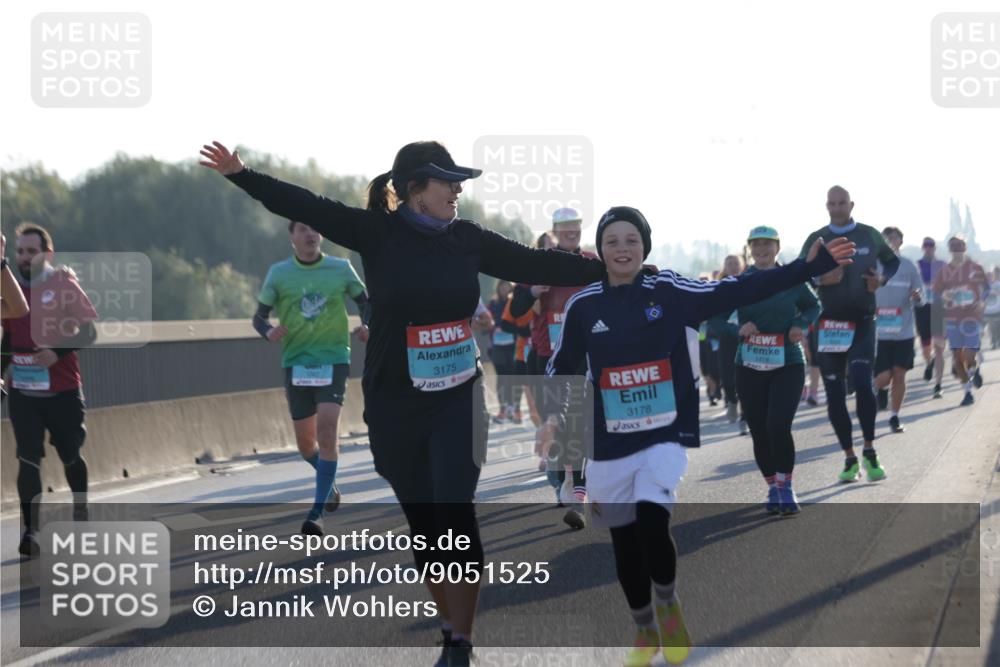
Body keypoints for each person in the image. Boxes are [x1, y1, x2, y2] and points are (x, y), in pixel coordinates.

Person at [201, 139, 609, 667]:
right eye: (447, 181)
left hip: (458, 398)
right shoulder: (378, 233)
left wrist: (617, 266)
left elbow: (537, 261)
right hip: (395, 402)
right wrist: (242, 173)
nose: (458, 189)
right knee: (425, 524)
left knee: (454, 510)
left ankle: (460, 641)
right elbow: (304, 205)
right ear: (415, 190)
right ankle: (447, 622)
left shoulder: (467, 239)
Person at [542, 206, 853, 666]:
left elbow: (740, 286)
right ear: (601, 250)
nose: (622, 249)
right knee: (624, 541)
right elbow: (563, 365)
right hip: (608, 439)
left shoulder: (669, 290)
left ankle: (668, 603)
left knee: (652, 521)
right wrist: (552, 418)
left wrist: (807, 268)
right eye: (613, 241)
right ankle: (644, 626)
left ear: (644, 246)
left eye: (631, 240)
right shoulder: (583, 305)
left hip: (663, 430)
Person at [252, 219, 370, 535]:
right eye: (302, 229)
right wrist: (269, 331)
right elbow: (258, 318)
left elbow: (365, 303)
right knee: (306, 444)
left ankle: (316, 514)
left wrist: (367, 326)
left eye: (315, 229)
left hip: (333, 361)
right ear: (292, 238)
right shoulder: (279, 273)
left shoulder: (341, 268)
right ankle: (328, 484)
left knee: (328, 429)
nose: (311, 234)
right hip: (296, 363)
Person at [3, 223, 98, 558]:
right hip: (23, 391)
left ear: (48, 254)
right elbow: (7, 339)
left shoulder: (63, 283)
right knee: (27, 459)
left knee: (70, 454)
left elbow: (88, 333)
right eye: (20, 251)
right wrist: (1, 375)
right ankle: (31, 532)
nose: (24, 258)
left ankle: (81, 510)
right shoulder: (9, 289)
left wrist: (55, 352)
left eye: (31, 251)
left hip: (63, 390)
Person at [799, 186, 899, 484]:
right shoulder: (817, 239)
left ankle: (869, 450)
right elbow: (799, 274)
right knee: (834, 393)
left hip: (863, 321)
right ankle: (849, 458)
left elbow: (892, 261)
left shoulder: (869, 234)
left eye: (842, 203)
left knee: (861, 381)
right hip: (828, 325)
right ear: (826, 206)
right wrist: (820, 278)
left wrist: (881, 280)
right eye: (832, 203)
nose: (837, 208)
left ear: (851, 204)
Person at [509, 207, 596, 529]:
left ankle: (572, 484)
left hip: (585, 356)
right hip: (548, 357)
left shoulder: (591, 262)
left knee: (578, 422)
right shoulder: (539, 264)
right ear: (555, 231)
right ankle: (559, 474)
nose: (571, 230)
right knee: (555, 424)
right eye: (565, 227)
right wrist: (531, 292)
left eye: (576, 225)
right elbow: (515, 309)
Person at [734, 226, 820, 515]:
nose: (761, 250)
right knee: (759, 430)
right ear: (749, 248)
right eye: (756, 245)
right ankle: (772, 485)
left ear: (777, 247)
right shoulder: (739, 282)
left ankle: (786, 486)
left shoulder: (791, 278)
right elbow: (718, 318)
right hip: (749, 365)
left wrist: (801, 324)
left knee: (778, 425)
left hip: (788, 361)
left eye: (767, 244)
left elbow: (813, 305)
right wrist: (738, 327)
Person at [873, 227, 923, 433]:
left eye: (895, 238)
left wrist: (918, 297)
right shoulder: (873, 265)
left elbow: (922, 297)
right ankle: (880, 389)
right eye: (887, 238)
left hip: (904, 330)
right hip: (880, 332)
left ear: (901, 241)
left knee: (899, 374)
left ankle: (894, 416)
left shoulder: (909, 266)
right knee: (884, 377)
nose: (891, 241)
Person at [932, 235, 990, 406]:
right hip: (952, 318)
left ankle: (974, 368)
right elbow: (936, 293)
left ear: (965, 247)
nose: (957, 249)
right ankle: (967, 392)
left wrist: (981, 302)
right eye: (953, 246)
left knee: (969, 356)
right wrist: (945, 296)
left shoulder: (976, 268)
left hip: (972, 317)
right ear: (949, 249)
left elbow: (986, 289)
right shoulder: (943, 271)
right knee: (957, 359)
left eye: (960, 245)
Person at [707, 255, 746, 432]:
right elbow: (713, 318)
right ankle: (731, 399)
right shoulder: (719, 288)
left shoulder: (750, 282)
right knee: (727, 377)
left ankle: (746, 415)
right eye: (729, 264)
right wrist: (730, 328)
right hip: (727, 338)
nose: (733, 266)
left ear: (742, 265)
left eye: (736, 263)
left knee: (746, 377)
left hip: (748, 338)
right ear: (725, 267)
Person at [916, 237, 947, 397]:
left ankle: (938, 384)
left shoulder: (942, 264)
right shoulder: (917, 265)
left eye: (931, 245)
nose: (928, 248)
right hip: (922, 308)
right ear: (923, 248)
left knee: (940, 347)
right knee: (926, 344)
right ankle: (929, 363)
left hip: (939, 308)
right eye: (926, 245)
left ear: (935, 248)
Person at [486, 280, 516, 423]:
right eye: (502, 287)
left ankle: (512, 407)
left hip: (513, 345)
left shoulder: (515, 302)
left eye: (507, 287)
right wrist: (493, 327)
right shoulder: (493, 303)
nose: (505, 289)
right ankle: (502, 409)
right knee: (501, 377)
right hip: (497, 346)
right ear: (498, 288)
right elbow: (487, 322)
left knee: (512, 377)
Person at [984, 266, 1000, 350]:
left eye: (996, 273)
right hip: (988, 310)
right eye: (993, 273)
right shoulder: (986, 285)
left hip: (998, 309)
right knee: (990, 327)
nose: (994, 275)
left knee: (997, 327)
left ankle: (997, 341)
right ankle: (993, 342)